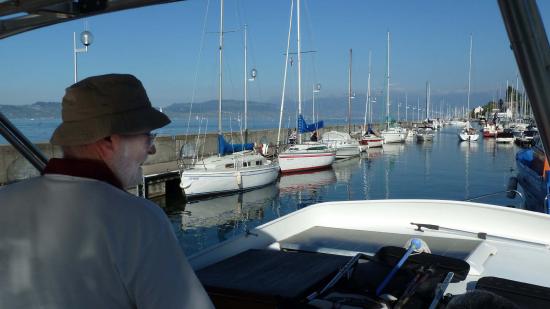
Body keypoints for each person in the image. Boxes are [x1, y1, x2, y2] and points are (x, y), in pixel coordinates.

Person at [0, 74, 214, 308]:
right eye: (147, 136)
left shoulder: (5, 201)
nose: (152, 149)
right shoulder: (139, 220)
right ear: (109, 140)